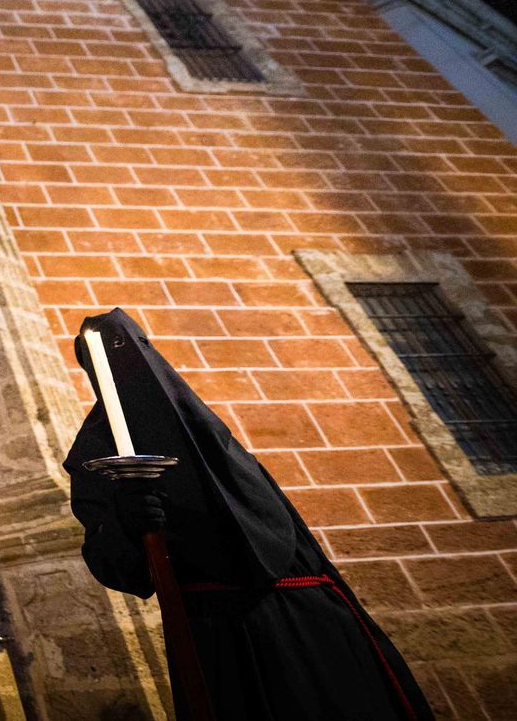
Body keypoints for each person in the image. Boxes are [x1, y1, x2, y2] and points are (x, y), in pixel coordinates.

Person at [65, 308, 434, 721]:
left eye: (135, 346)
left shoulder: (202, 422)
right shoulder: (95, 451)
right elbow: (115, 564)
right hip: (223, 633)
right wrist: (128, 526)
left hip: (309, 614)